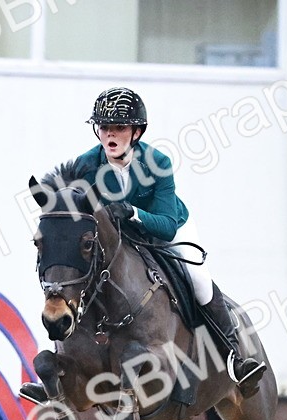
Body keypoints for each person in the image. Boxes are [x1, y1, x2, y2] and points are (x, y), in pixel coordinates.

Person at [23, 86, 265, 402]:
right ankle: (61, 372)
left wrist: (135, 212)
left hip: (164, 227)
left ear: (136, 131)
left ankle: (236, 357)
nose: (110, 135)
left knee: (199, 281)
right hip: (115, 239)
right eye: (105, 127)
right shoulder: (85, 166)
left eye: (119, 128)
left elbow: (165, 225)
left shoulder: (157, 162)